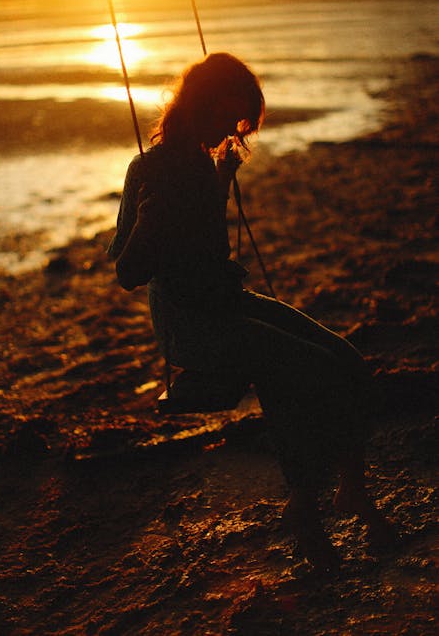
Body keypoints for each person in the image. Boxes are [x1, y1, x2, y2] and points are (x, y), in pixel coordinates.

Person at [108, 52, 396, 573]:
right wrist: (146, 228)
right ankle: (304, 510)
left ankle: (351, 490)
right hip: (190, 325)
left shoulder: (199, 159)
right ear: (202, 102)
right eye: (229, 115)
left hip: (224, 302)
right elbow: (127, 273)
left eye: (240, 120)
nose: (232, 128)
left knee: (347, 360)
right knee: (301, 370)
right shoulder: (145, 169)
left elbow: (202, 241)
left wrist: (219, 182)